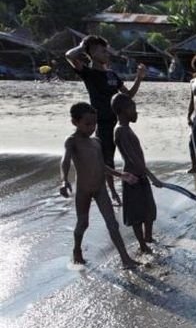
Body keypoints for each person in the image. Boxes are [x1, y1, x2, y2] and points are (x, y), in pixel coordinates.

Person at [65, 35, 146, 206]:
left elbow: (128, 95)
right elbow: (69, 56)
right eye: (103, 51)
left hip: (119, 122)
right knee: (107, 159)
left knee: (128, 154)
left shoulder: (111, 74)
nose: (107, 54)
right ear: (93, 53)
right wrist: (83, 46)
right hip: (101, 122)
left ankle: (132, 183)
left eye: (106, 51)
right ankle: (113, 193)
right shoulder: (88, 72)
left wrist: (139, 78)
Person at [59, 102, 138, 268]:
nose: (92, 128)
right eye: (87, 124)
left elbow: (102, 166)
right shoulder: (72, 141)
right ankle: (77, 249)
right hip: (83, 190)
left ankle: (125, 259)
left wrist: (121, 175)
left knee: (112, 224)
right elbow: (65, 160)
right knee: (83, 223)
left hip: (100, 188)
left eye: (94, 124)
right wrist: (64, 180)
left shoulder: (96, 141)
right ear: (75, 122)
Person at [111, 94, 164, 254]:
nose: (136, 112)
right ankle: (142, 245)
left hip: (141, 176)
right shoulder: (121, 130)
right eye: (133, 109)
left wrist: (146, 175)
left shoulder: (127, 128)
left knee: (149, 211)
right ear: (122, 111)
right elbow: (133, 158)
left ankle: (148, 237)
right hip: (132, 178)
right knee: (136, 216)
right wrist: (151, 175)